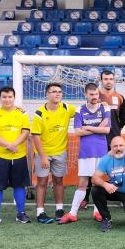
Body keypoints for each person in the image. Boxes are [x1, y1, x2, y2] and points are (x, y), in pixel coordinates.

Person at [58, 83, 109, 224]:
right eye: (91, 94)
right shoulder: (80, 110)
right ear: (85, 94)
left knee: (98, 182)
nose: (94, 97)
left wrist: (88, 127)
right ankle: (73, 213)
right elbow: (78, 132)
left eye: (96, 94)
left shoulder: (104, 108)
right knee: (83, 183)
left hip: (101, 151)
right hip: (86, 151)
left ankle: (97, 212)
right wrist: (96, 128)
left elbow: (107, 130)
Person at [0, 86, 31, 226]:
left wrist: (14, 144)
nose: (7, 99)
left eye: (10, 96)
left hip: (19, 156)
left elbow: (25, 132)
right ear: (0, 98)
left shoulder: (22, 114)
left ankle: (21, 213)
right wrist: (8, 145)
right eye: (4, 97)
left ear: (14, 98)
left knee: (19, 186)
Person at [31, 82, 76, 223]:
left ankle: (59, 209)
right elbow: (35, 136)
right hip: (43, 153)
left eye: (59, 91)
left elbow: (85, 110)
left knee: (58, 180)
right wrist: (43, 156)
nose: (57, 94)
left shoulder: (67, 108)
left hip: (60, 152)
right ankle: (40, 212)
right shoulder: (39, 114)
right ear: (47, 94)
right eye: (53, 91)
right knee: (42, 182)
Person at [91, 136, 125, 232]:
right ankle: (106, 218)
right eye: (115, 146)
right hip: (114, 189)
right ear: (111, 147)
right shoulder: (106, 159)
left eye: (121, 145)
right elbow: (94, 178)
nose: (118, 148)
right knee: (96, 190)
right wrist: (106, 185)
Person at [98, 70, 125, 144]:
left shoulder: (120, 97)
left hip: (114, 136)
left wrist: (117, 128)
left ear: (114, 81)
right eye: (106, 79)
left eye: (111, 79)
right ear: (101, 80)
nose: (108, 81)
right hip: (98, 136)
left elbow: (123, 118)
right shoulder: (95, 96)